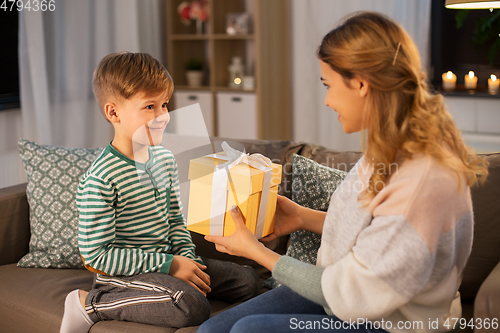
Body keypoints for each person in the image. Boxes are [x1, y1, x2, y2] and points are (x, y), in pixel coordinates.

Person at [198, 12, 488, 333]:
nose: (326, 100)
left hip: (395, 323)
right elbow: (373, 242)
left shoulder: (422, 182)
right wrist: (301, 217)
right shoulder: (389, 149)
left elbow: (356, 294)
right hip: (349, 299)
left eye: (328, 85)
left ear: (361, 84)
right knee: (213, 330)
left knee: (247, 331)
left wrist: (255, 252)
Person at [59, 52, 260, 333]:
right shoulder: (101, 178)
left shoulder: (164, 159)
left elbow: (174, 220)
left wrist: (188, 261)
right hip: (121, 277)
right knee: (191, 306)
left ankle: (171, 287)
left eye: (164, 104)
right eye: (150, 106)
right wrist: (170, 265)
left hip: (166, 263)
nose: (163, 116)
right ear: (113, 112)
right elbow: (96, 256)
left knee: (248, 280)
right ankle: (90, 303)